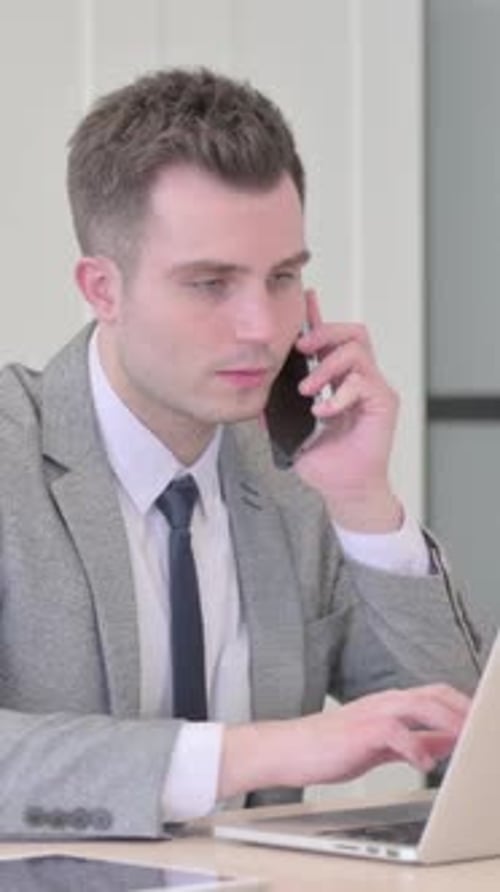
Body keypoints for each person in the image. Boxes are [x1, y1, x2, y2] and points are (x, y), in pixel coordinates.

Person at [0, 67, 487, 839]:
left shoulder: (296, 469)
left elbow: (467, 742)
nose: (263, 327)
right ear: (102, 289)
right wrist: (256, 753)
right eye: (210, 283)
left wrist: (365, 505)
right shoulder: (12, 453)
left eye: (284, 276)